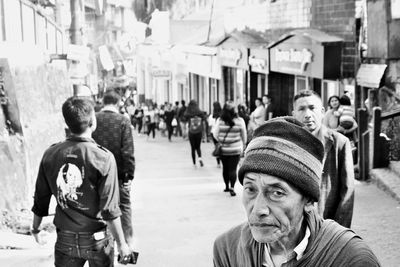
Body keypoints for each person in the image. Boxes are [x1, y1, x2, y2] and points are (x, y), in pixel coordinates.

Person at [213, 117, 381, 267]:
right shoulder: (227, 249)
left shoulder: (351, 259)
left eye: (277, 193)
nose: (258, 210)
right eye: (250, 189)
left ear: (308, 200)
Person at [31, 97, 132, 266]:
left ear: (67, 123)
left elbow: (41, 198)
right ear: (93, 122)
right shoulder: (103, 158)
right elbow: (109, 210)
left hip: (65, 239)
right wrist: (122, 244)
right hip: (97, 240)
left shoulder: (50, 154)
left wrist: (35, 227)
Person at [292, 90, 354, 228]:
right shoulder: (287, 144)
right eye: (301, 109)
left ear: (322, 111)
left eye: (312, 108)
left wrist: (338, 234)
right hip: (294, 228)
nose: (308, 114)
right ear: (294, 114)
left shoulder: (340, 143)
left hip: (326, 223)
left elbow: (347, 193)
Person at [92, 90, 136, 250]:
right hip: (118, 175)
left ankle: (104, 245)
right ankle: (127, 246)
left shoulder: (93, 119)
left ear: (103, 102)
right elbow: (128, 152)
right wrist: (129, 176)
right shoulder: (123, 121)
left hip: (96, 175)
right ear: (118, 103)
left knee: (99, 208)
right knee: (123, 206)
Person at [212, 102, 247, 196]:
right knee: (233, 169)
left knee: (225, 169)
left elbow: (215, 134)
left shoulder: (220, 120)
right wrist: (243, 145)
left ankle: (226, 186)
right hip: (235, 149)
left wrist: (221, 141)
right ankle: (232, 187)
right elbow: (244, 136)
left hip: (223, 149)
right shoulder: (240, 121)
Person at [184, 100, 206, 167]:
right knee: (198, 147)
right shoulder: (200, 112)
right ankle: (200, 159)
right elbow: (204, 118)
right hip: (198, 132)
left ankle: (194, 163)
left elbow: (184, 116)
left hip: (191, 132)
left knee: (192, 148)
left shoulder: (188, 113)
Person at [209, 101, 222, 167]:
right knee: (223, 147)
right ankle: (223, 160)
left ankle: (218, 163)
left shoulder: (211, 116)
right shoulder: (222, 116)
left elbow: (210, 126)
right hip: (222, 133)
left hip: (214, 133)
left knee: (217, 147)